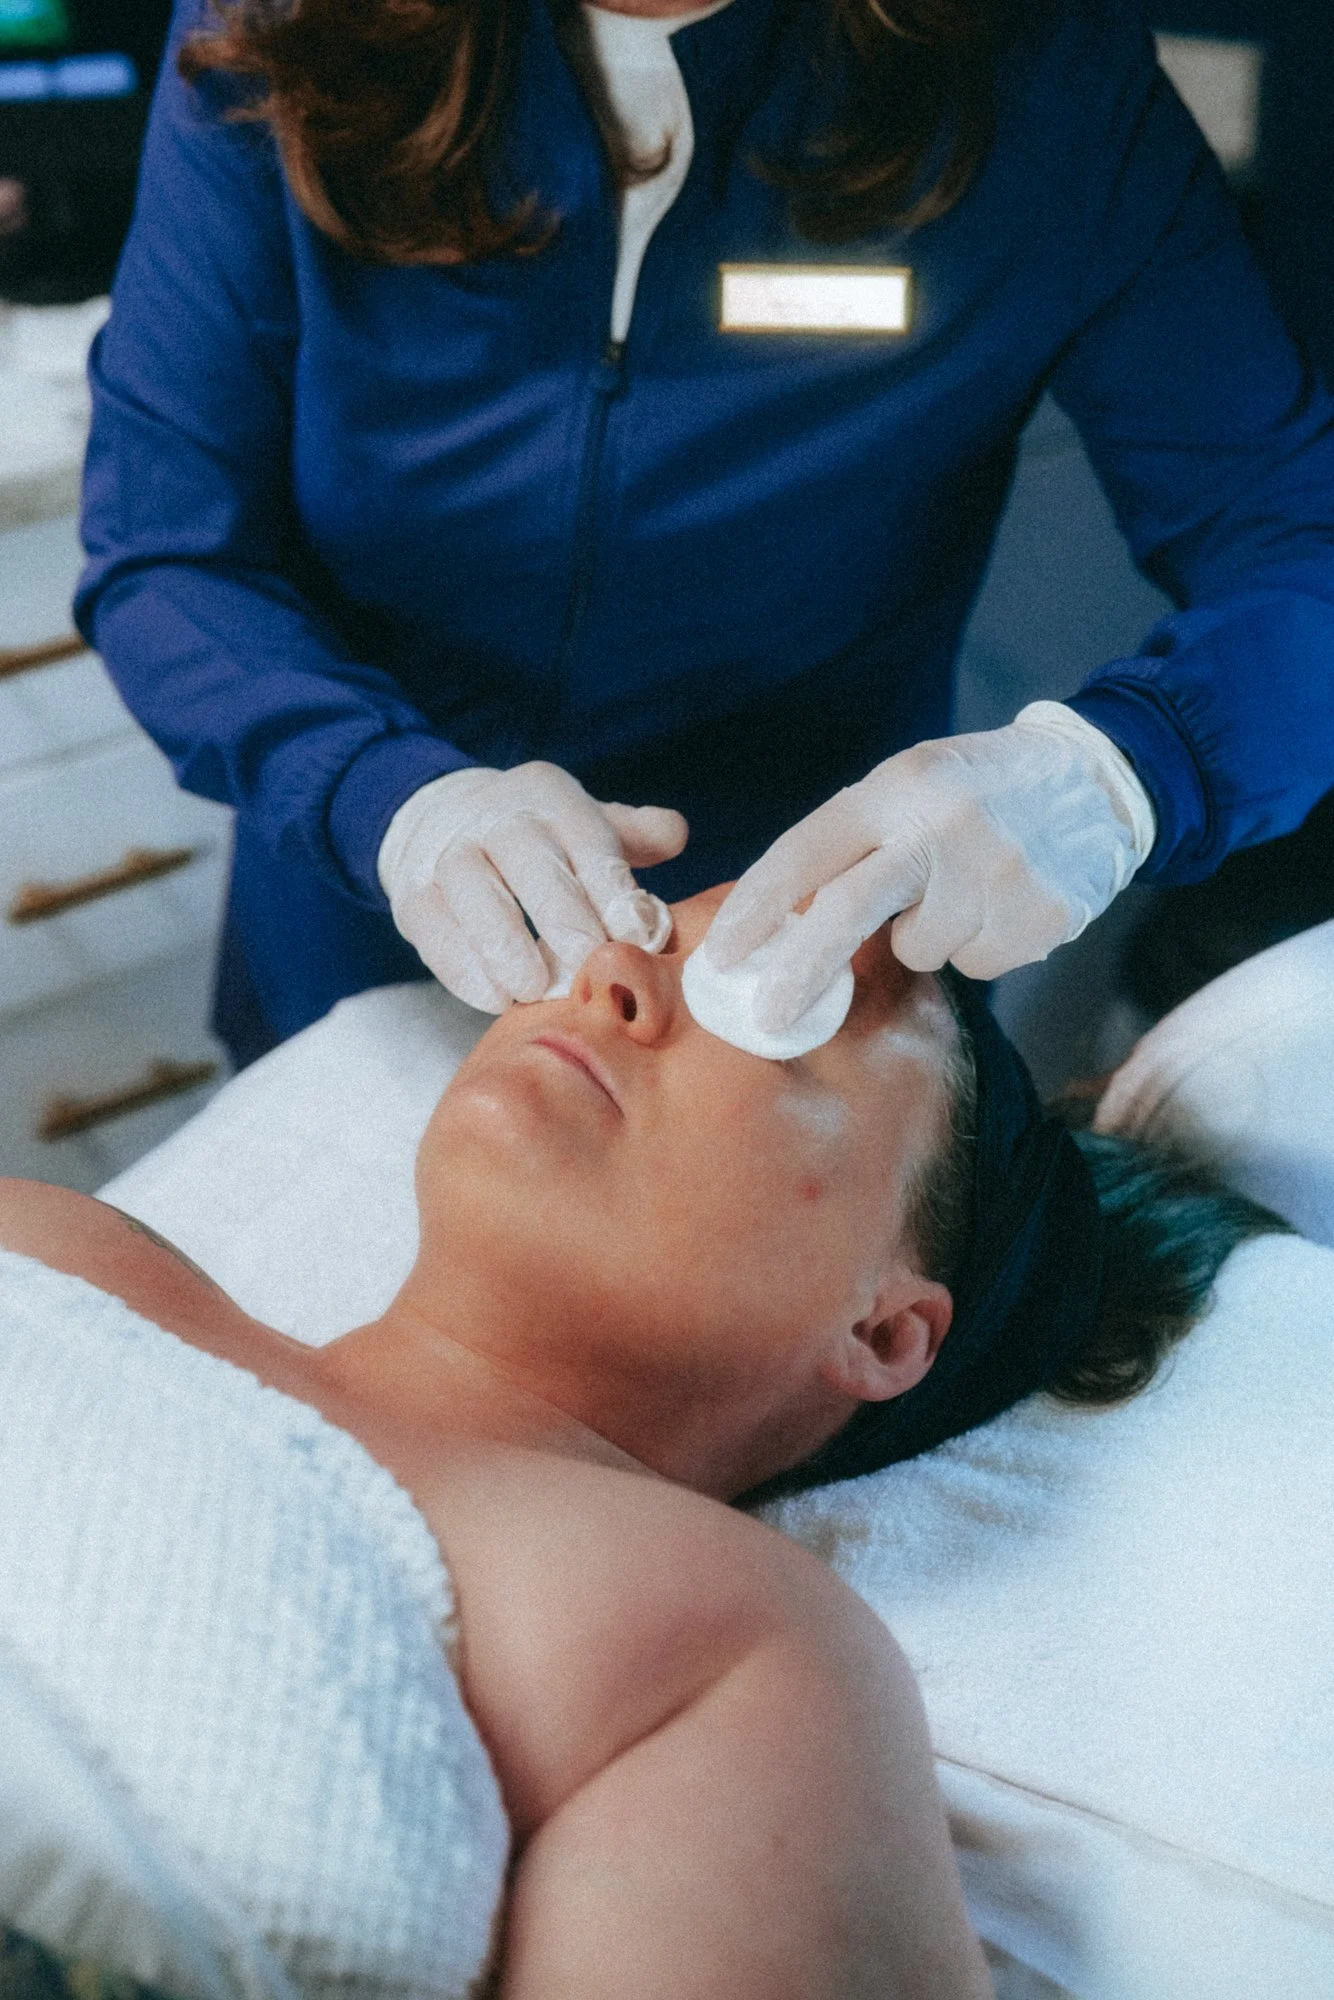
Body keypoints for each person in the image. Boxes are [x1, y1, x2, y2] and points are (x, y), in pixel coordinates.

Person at [0, 887, 1286, 1993]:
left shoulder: (734, 1648)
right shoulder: (59, 1243)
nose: (613, 974)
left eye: (774, 1011)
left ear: (884, 1326)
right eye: (642, 932)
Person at [73, 0, 1334, 1066]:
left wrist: (1122, 771)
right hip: (363, 922)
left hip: (809, 968)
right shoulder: (290, 35)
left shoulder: (1038, 77)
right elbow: (168, 554)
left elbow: (1296, 553)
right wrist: (390, 803)